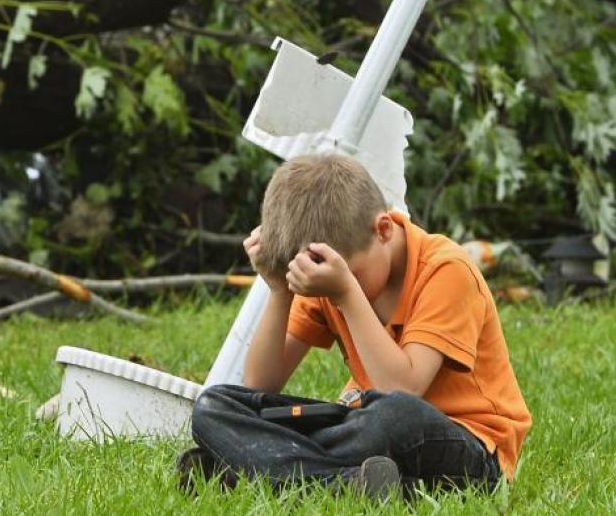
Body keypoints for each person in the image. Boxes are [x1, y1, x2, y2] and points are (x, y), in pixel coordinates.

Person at [177, 153, 531, 499]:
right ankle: (354, 483)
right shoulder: (328, 270)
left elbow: (402, 389)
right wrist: (279, 289)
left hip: (470, 448)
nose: (334, 288)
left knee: (393, 417)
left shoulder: (446, 269)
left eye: (350, 274)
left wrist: (346, 291)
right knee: (215, 405)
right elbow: (261, 383)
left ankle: (258, 465)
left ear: (383, 230)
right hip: (366, 432)